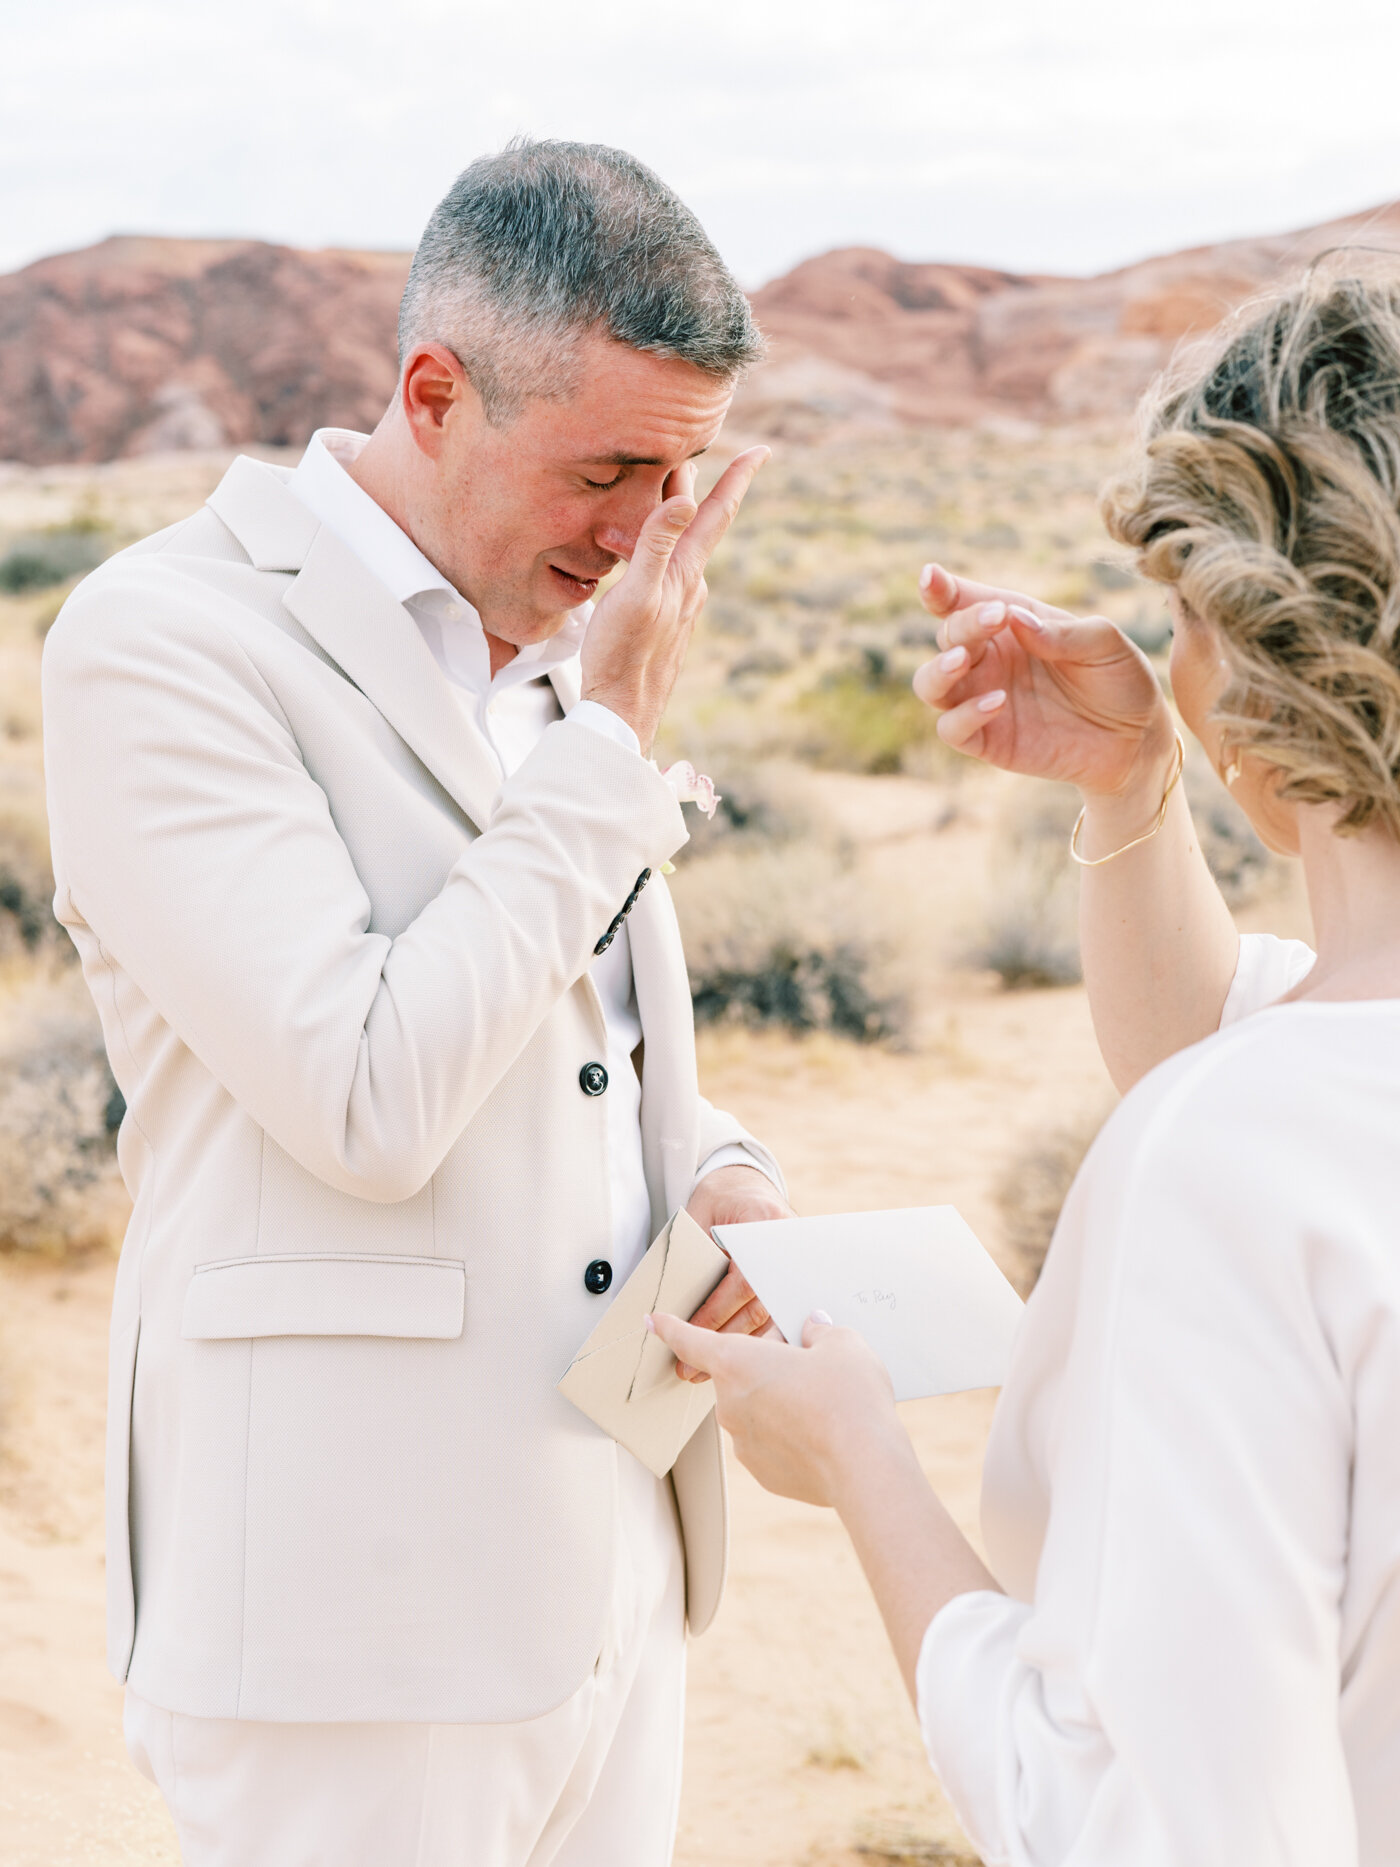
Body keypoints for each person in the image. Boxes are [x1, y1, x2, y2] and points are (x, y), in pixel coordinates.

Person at [41, 139, 795, 1867]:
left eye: (673, 484)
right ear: (434, 392)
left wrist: (726, 1175)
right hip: (350, 1620)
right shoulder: (165, 640)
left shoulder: (553, 653)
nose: (636, 537)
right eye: (607, 468)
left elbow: (581, 1040)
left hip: (609, 1556)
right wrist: (609, 751)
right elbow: (367, 1094)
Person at [653, 268, 1400, 1864]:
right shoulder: (1289, 1102)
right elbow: (1245, 1036)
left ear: (1261, 655)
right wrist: (1132, 782)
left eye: (1186, 619)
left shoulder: (1237, 1156)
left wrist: (859, 1455)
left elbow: (1125, 1817)